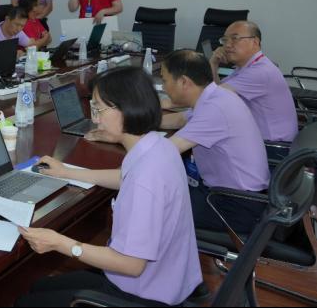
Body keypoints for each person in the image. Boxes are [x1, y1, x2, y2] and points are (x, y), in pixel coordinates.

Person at [17, 67, 201, 307]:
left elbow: (131, 265)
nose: (95, 119)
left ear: (125, 109)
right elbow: (125, 177)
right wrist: (66, 172)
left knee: (27, 303)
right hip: (165, 279)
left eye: (99, 109)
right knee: (39, 287)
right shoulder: (158, 146)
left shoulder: (146, 177)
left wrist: (60, 243)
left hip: (143, 296)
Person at [147, 50, 268, 234]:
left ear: (184, 82)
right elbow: (180, 119)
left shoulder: (214, 109)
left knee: (152, 206)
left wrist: (123, 137)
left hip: (234, 205)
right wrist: (133, 122)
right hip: (237, 195)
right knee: (162, 191)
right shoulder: (217, 96)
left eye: (165, 80)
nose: (163, 87)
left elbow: (164, 152)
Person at [209, 21, 298, 143]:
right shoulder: (250, 65)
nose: (227, 45)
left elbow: (212, 98)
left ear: (255, 42)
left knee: (206, 139)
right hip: (265, 139)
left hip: (273, 146)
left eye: (235, 38)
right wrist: (213, 64)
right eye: (225, 40)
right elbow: (216, 91)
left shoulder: (259, 72)